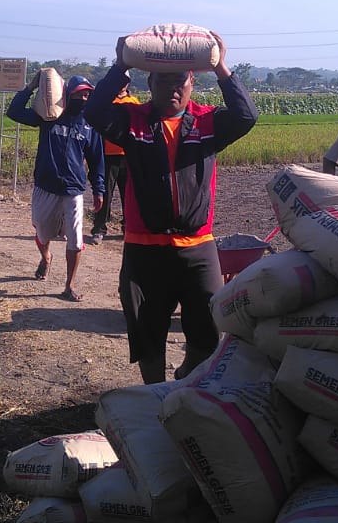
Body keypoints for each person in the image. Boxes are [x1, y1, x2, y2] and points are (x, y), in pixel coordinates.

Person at [84, 33, 259, 383]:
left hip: (197, 248)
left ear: (192, 81)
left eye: (179, 81)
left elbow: (246, 116)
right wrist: (120, 67)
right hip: (144, 249)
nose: (172, 90)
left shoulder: (208, 123)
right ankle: (155, 397)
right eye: (163, 81)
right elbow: (94, 111)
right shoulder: (132, 122)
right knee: (148, 335)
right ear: (150, 83)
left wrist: (221, 68)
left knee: (208, 333)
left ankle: (186, 375)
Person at [6, 74, 105, 301]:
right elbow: (14, 112)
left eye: (87, 94)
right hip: (46, 185)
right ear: (68, 94)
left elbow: (97, 160)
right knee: (42, 230)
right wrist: (30, 87)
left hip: (74, 189)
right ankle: (46, 257)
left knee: (76, 239)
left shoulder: (89, 125)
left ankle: (69, 286)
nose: (84, 97)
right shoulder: (49, 115)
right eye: (80, 93)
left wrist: (99, 189)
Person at [87, 72, 141, 244]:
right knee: (105, 193)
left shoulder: (134, 102)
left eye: (125, 81)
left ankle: (128, 227)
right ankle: (99, 228)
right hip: (107, 155)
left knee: (128, 195)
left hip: (128, 155)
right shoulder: (108, 101)